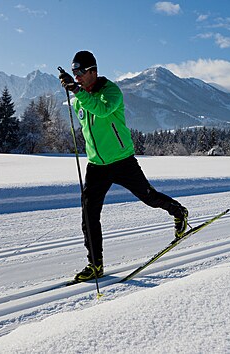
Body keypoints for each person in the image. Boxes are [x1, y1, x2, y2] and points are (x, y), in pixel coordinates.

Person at [59, 50, 189, 282]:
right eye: (73, 72)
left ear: (93, 71)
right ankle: (95, 265)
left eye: (80, 72)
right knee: (89, 215)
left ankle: (178, 211)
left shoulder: (111, 91)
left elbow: (101, 110)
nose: (76, 76)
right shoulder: (80, 97)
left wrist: (76, 91)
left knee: (148, 197)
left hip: (122, 161)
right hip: (96, 166)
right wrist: (77, 93)